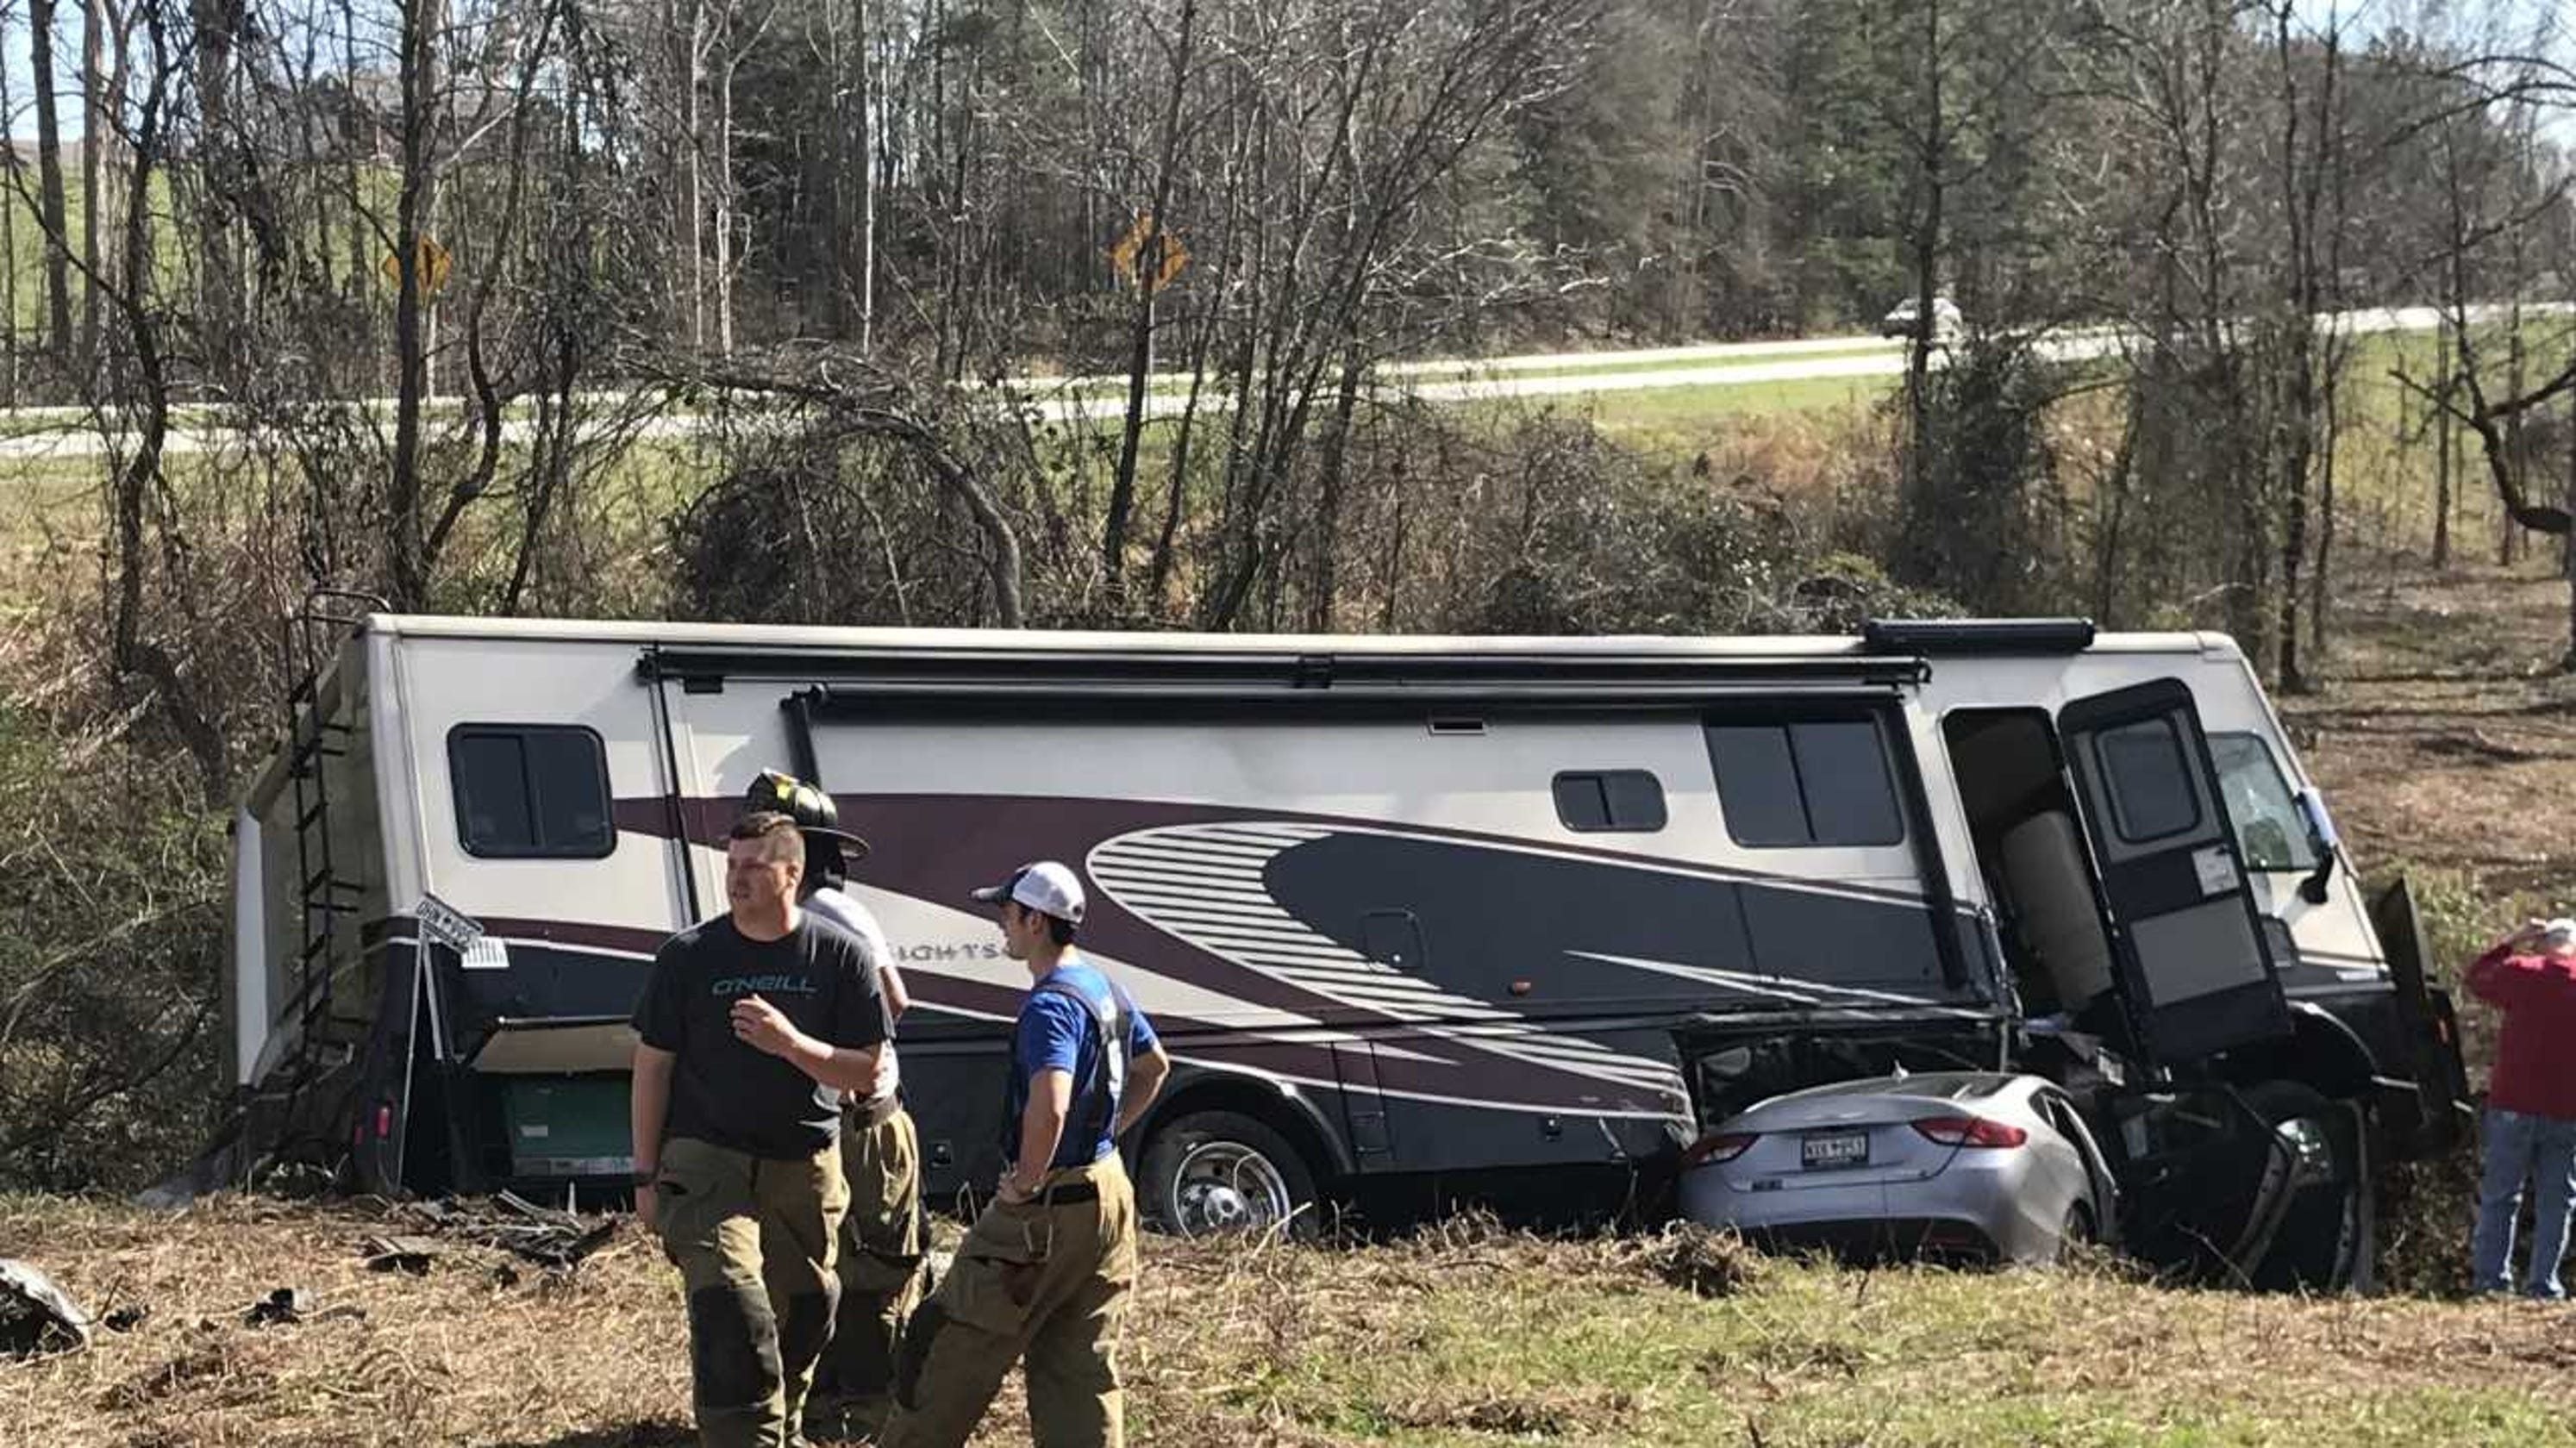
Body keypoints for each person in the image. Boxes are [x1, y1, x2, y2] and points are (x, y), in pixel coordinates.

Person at [879, 861, 1172, 1448]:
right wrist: (1107, 1132)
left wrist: (1026, 1182)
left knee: (947, 1348)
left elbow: (1052, 1103)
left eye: (1006, 914)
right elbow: (1153, 1066)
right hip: (1106, 1192)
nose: (1001, 927)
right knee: (1079, 1369)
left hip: (1046, 1210)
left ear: (1035, 920)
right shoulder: (1104, 988)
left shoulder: (1050, 1006)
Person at [631, 811, 892, 1448]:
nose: (737, 878)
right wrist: (643, 1173)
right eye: (731, 865)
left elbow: (866, 1068)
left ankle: (782, 1423)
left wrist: (792, 1044)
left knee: (805, 1312)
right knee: (731, 1306)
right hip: (706, 1159)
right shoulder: (689, 956)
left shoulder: (839, 956)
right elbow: (652, 1066)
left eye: (753, 866)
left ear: (792, 873)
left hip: (802, 1161)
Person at [740, 770, 928, 1433]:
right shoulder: (774, 922)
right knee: (814, 1269)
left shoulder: (835, 914)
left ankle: (872, 1416)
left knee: (873, 1270)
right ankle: (828, 1406)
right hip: (819, 1123)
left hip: (863, 1119)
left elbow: (893, 1002)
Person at [2463, 916, 2576, 1300]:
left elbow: (2477, 976)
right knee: (2556, 1201)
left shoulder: (2522, 973)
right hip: (2567, 1109)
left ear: (2544, 943)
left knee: (2501, 1195)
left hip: (2514, 1104)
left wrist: (2512, 940)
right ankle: (2544, 1284)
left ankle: (2491, 1281)